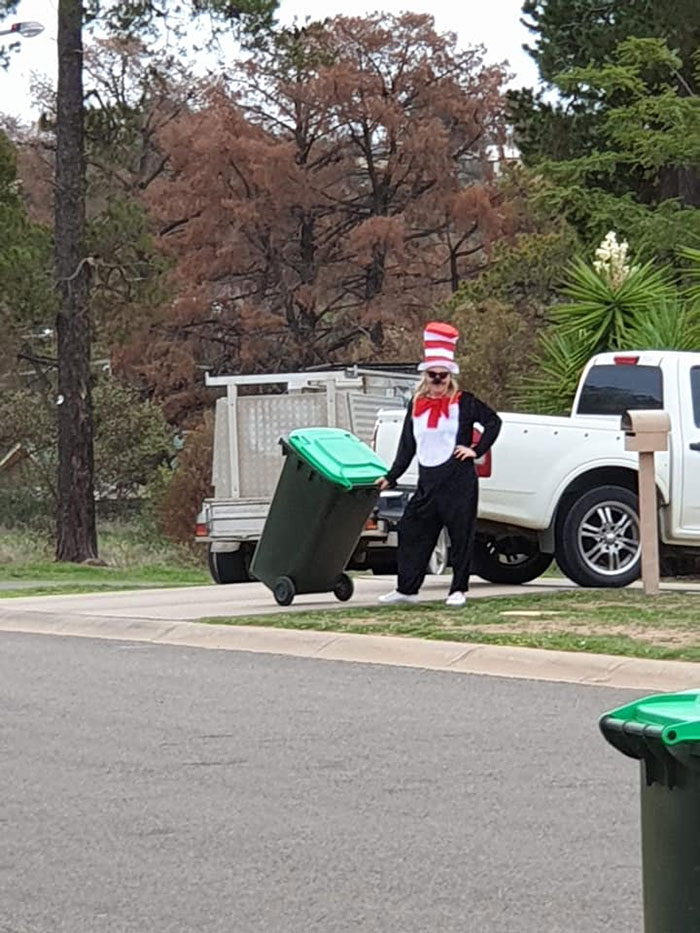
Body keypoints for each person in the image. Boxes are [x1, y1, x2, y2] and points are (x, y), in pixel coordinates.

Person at [377, 321, 501, 607]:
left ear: (449, 377)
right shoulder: (416, 405)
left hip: (458, 482)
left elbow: (494, 422)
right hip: (428, 482)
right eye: (433, 376)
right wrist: (391, 476)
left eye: (442, 377)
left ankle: (458, 589)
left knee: (460, 535)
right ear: (425, 377)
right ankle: (407, 588)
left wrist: (475, 449)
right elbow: (407, 445)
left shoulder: (464, 402)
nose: (438, 382)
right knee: (411, 529)